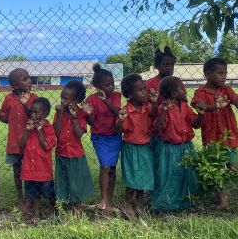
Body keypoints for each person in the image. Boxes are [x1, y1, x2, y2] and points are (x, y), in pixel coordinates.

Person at [191, 58, 238, 209]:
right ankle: (223, 200)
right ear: (208, 74)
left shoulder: (226, 90)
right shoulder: (200, 92)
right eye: (220, 73)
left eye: (226, 73)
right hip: (212, 138)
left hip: (228, 135)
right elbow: (201, 106)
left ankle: (221, 189)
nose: (224, 76)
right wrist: (215, 106)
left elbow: (235, 99)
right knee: (215, 168)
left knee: (234, 167)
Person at [152, 76, 203, 211]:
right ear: (174, 93)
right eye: (182, 88)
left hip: (186, 147)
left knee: (188, 175)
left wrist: (201, 115)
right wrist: (164, 112)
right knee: (171, 176)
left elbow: (195, 124)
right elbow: (159, 127)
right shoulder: (163, 107)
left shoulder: (185, 107)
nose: (185, 91)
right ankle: (166, 204)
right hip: (170, 149)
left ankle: (188, 202)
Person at [116, 74, 158, 218]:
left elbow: (154, 114)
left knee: (143, 177)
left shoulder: (148, 106)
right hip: (131, 148)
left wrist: (155, 101)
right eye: (140, 90)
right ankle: (128, 204)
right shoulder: (125, 111)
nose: (145, 92)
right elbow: (119, 130)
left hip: (145, 147)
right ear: (130, 94)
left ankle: (139, 205)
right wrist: (120, 121)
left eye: (144, 88)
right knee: (132, 178)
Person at [0, 68, 37, 214]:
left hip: (31, 143)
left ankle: (31, 199)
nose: (29, 81)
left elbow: (36, 116)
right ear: (14, 86)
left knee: (30, 172)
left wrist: (26, 105)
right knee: (18, 172)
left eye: (29, 77)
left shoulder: (34, 98)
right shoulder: (8, 99)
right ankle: (21, 199)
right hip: (15, 143)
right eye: (25, 79)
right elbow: (6, 118)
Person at [84, 63, 121, 211]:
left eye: (112, 84)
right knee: (105, 166)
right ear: (97, 86)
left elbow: (116, 112)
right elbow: (91, 122)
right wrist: (88, 114)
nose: (111, 87)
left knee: (111, 168)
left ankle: (109, 199)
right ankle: (104, 199)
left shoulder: (116, 96)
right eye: (107, 85)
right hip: (100, 137)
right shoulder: (91, 100)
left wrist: (106, 100)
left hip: (115, 136)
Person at [53, 80, 93, 212]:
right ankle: (65, 204)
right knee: (63, 180)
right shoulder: (58, 114)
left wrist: (75, 117)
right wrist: (59, 115)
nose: (63, 101)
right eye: (61, 98)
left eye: (66, 99)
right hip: (62, 153)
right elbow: (56, 133)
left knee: (77, 180)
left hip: (76, 154)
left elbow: (79, 133)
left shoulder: (81, 113)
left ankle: (77, 204)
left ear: (75, 100)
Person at [19, 97, 57, 222]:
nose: (33, 115)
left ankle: (53, 211)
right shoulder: (29, 127)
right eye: (32, 112)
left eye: (36, 112)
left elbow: (47, 146)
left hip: (43, 170)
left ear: (45, 114)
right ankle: (36, 215)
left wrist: (39, 131)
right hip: (30, 169)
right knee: (34, 194)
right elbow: (21, 144)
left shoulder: (48, 128)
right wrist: (27, 130)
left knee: (49, 193)